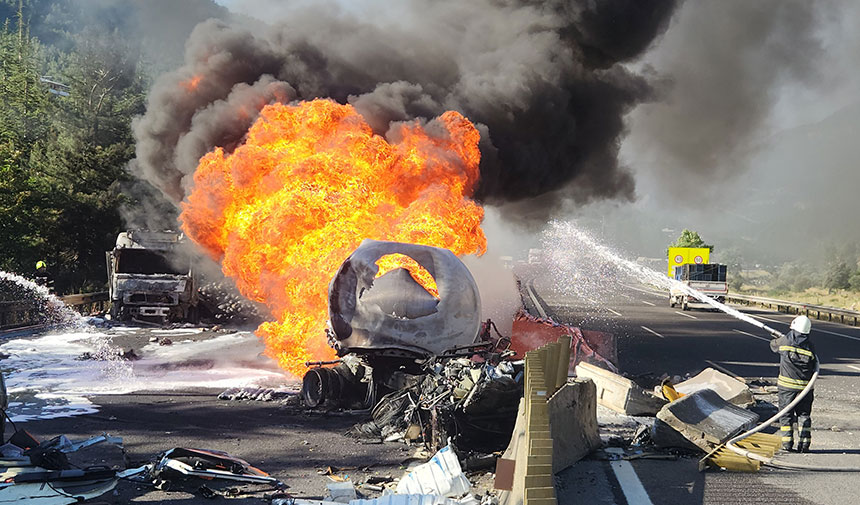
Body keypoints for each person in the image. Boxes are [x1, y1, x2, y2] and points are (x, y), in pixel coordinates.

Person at [770, 315, 817, 452]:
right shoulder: (810, 346)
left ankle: (787, 444)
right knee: (804, 415)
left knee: (786, 415)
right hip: (805, 388)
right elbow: (814, 364)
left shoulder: (785, 341)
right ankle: (804, 444)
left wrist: (778, 337)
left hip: (787, 387)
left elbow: (773, 345)